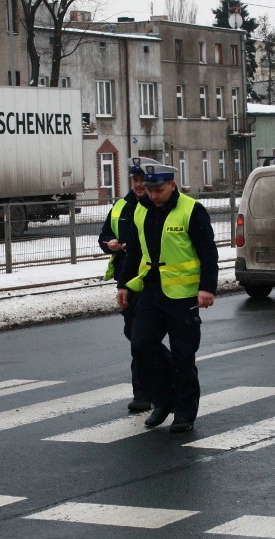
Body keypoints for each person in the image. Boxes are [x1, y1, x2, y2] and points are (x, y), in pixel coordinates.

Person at [116, 163, 219, 433]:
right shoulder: (142, 210)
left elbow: (208, 251)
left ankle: (184, 412)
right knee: (140, 346)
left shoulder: (191, 210)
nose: (153, 195)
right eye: (149, 191)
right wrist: (124, 285)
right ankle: (163, 401)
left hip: (184, 297)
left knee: (183, 355)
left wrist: (207, 287)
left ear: (173, 185)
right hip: (151, 292)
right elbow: (134, 252)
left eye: (158, 190)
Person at [98, 157, 167, 413]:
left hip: (153, 281)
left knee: (143, 339)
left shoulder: (158, 206)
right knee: (135, 337)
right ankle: (148, 389)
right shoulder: (120, 207)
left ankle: (146, 393)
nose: (138, 185)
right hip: (127, 281)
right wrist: (111, 244)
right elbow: (104, 236)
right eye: (135, 180)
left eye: (142, 180)